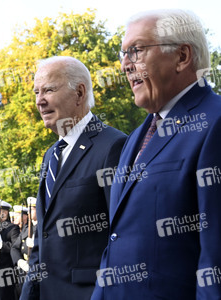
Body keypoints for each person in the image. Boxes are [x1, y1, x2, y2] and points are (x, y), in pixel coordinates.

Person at [92, 10, 221, 300]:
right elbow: (117, 240)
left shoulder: (215, 123)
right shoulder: (136, 137)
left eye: (135, 51)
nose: (125, 65)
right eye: (123, 53)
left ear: (182, 56)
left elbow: (215, 258)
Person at [20, 56, 127, 300]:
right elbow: (42, 239)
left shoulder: (113, 146)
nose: (39, 101)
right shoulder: (50, 156)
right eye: (36, 92)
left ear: (79, 93)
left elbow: (121, 237)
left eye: (48, 90)